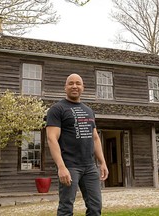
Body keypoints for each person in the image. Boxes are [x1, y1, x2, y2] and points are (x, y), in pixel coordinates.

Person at [46, 73, 109, 216]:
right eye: (71, 83)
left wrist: (102, 162)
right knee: (66, 208)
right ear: (65, 87)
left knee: (95, 207)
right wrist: (61, 167)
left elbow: (95, 138)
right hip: (70, 166)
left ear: (83, 87)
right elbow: (51, 138)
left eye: (78, 83)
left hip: (90, 167)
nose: (75, 86)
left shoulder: (89, 111)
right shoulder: (57, 109)